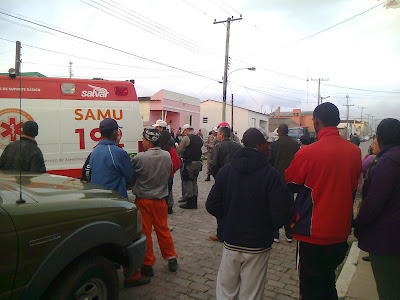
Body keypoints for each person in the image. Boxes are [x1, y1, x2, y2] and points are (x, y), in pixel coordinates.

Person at [285, 103, 361, 299]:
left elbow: (290, 181)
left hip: (312, 233)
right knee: (328, 283)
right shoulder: (355, 152)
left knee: (310, 290)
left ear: (316, 121)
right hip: (340, 233)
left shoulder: (307, 152)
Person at [206, 128, 292, 300]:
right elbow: (281, 213)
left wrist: (229, 219)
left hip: (231, 240)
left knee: (226, 290)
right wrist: (266, 227)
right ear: (259, 145)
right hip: (257, 244)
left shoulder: (226, 171)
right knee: (251, 293)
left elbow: (212, 205)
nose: (269, 148)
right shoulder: (270, 174)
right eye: (267, 144)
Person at [89, 118, 149, 287]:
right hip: (116, 202)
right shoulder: (117, 152)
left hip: (98, 201)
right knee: (127, 237)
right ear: (115, 132)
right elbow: (129, 177)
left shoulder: (94, 151)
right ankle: (132, 276)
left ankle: (111, 262)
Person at [353, 118, 400, 299]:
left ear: (379, 138)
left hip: (388, 241)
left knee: (389, 289)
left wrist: (358, 224)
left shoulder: (387, 163)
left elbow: (372, 203)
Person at [131, 128, 178, 278]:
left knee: (145, 232)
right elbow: (170, 171)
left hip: (143, 199)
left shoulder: (140, 158)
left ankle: (147, 264)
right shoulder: (166, 156)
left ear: (149, 141)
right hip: (160, 199)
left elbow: (132, 175)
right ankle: (171, 258)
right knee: (163, 229)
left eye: (144, 140)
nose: (142, 142)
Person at [209, 126, 242, 242]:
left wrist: (216, 176)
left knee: (221, 206)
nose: (217, 136)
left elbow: (213, 163)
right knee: (234, 205)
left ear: (221, 135)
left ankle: (221, 233)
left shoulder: (218, 146)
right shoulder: (238, 146)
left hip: (222, 179)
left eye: (218, 134)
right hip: (236, 179)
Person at [269, 123, 299, 243]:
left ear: (279, 131)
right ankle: (290, 233)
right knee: (290, 208)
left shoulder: (274, 144)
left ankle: (275, 234)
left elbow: (270, 161)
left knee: (275, 206)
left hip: (277, 180)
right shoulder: (295, 144)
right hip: (290, 180)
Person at [177, 124, 203, 209]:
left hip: (189, 163)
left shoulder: (186, 138)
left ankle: (189, 202)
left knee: (187, 181)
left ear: (186, 130)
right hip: (198, 162)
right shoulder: (199, 138)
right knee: (194, 181)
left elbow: (181, 150)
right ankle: (195, 200)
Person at [158, 130, 181, 214]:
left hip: (159, 176)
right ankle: (166, 209)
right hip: (169, 176)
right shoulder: (171, 150)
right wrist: (171, 171)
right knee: (167, 194)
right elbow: (177, 164)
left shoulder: (158, 150)